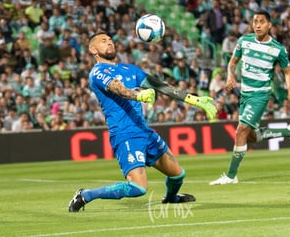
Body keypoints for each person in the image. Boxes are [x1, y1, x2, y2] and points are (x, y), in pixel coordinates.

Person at [68, 30, 217, 212]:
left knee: (178, 175)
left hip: (145, 132)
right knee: (138, 188)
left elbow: (161, 86)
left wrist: (193, 99)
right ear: (93, 49)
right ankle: (86, 195)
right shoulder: (97, 72)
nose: (109, 43)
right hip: (125, 134)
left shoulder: (130, 70)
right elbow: (118, 88)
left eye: (110, 40)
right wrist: (138, 95)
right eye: (103, 41)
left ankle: (171, 199)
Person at [209, 10, 290, 185]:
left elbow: (288, 72)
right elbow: (232, 63)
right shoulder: (244, 41)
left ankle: (231, 176)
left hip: (260, 95)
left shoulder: (277, 48)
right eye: (255, 22)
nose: (258, 25)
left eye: (261, 21)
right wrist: (230, 76)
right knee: (250, 136)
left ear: (269, 25)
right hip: (244, 94)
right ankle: (289, 131)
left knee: (240, 131)